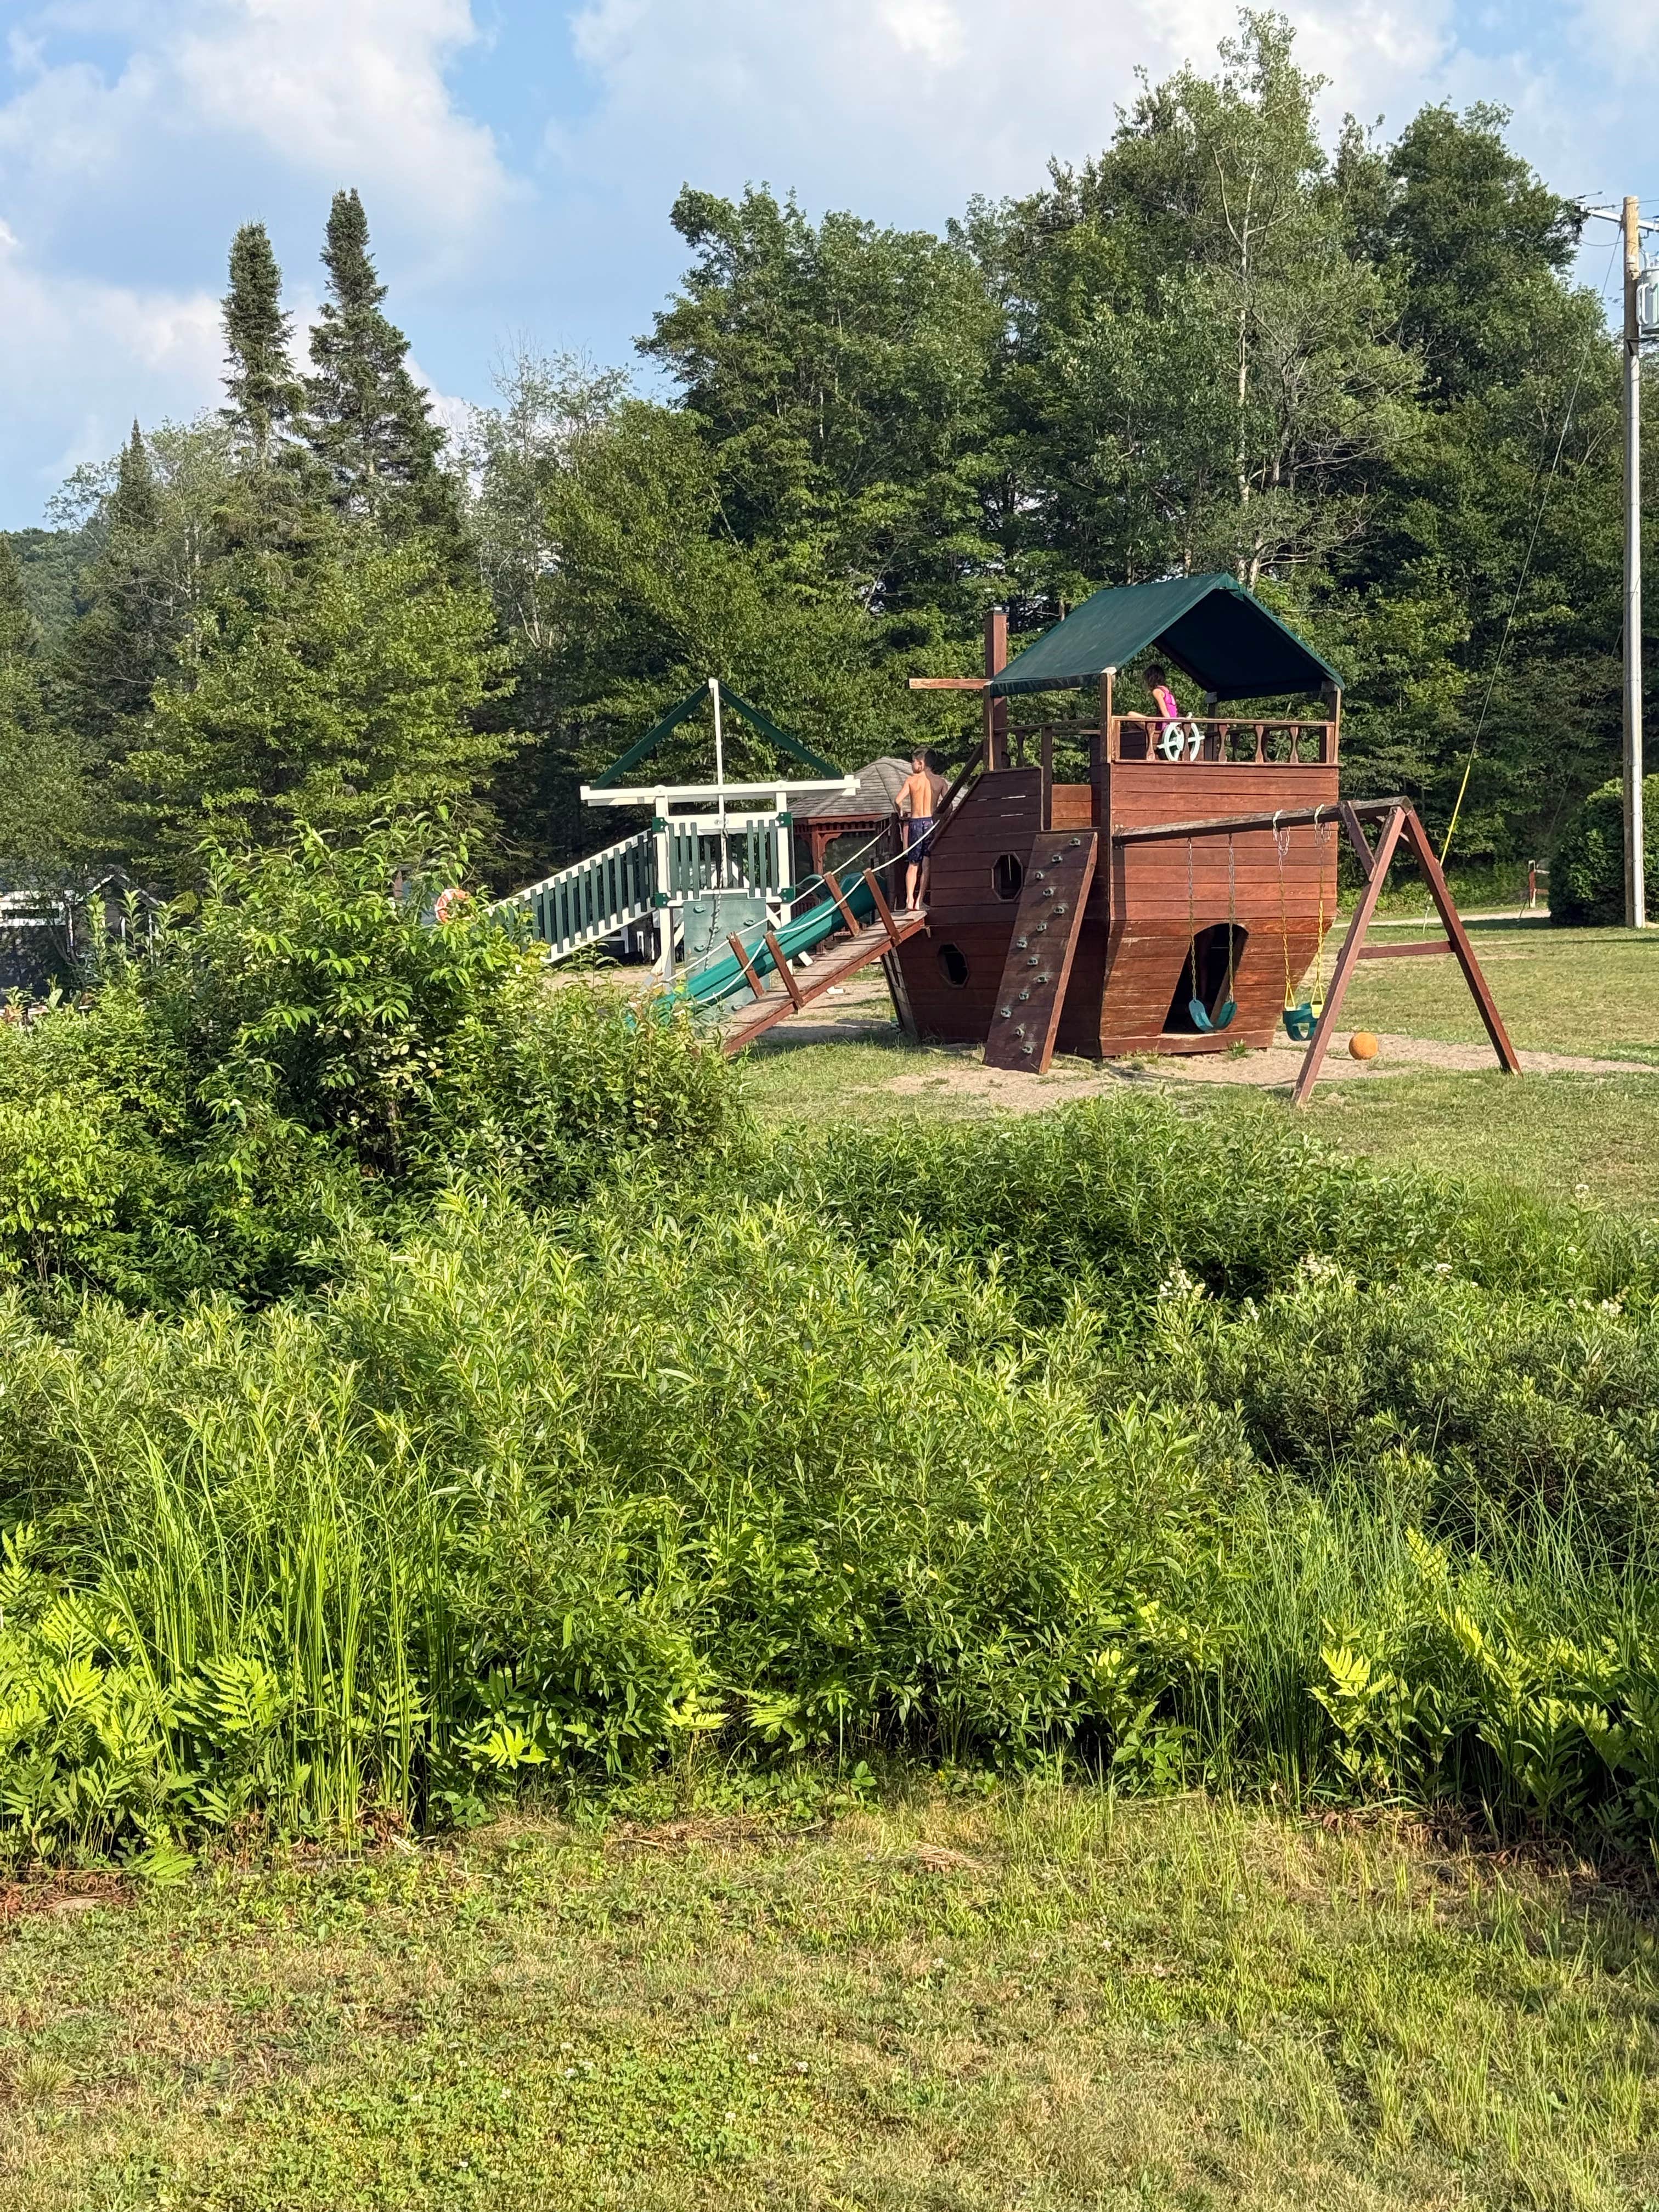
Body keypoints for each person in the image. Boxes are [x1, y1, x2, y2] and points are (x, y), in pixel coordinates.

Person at [898, 748, 946, 912]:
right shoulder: (940, 782)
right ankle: (920, 901)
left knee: (913, 863)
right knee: (926, 863)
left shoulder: (911, 781)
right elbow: (950, 806)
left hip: (916, 823)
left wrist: (901, 811)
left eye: (913, 761)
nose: (912, 765)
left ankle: (909, 900)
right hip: (930, 823)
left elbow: (898, 800)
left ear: (921, 763)